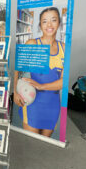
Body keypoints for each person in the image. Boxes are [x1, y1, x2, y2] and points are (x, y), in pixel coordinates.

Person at [14, 7, 64, 137]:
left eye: (53, 20)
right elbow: (16, 68)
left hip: (52, 104)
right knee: (31, 145)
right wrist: (15, 91)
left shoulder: (64, 48)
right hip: (32, 102)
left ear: (59, 23)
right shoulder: (32, 44)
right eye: (44, 21)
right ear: (40, 25)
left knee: (45, 145)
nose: (49, 25)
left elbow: (64, 80)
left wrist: (42, 86)